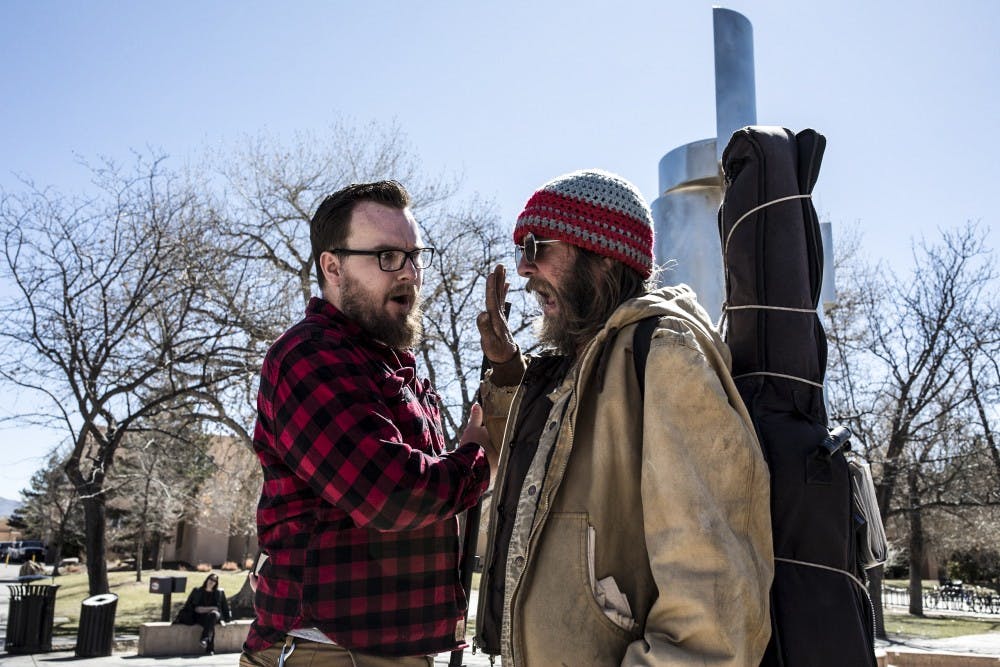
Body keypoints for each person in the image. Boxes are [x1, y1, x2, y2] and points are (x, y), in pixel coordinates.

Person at [473, 169, 774, 666]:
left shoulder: (663, 352)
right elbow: (533, 485)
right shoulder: (578, 367)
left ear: (603, 255)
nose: (523, 269)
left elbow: (713, 601)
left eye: (537, 245)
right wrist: (508, 371)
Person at [240, 180, 496, 667]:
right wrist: (477, 459)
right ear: (332, 267)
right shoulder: (309, 355)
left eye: (415, 256)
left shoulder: (388, 365)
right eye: (386, 257)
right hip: (325, 651)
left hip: (386, 651)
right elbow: (388, 494)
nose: (409, 274)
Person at [174, 573, 231, 654]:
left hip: (213, 616)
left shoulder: (219, 593)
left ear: (216, 583)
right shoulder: (197, 591)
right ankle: (209, 648)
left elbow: (223, 607)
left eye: (214, 581)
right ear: (207, 579)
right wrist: (211, 608)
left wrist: (227, 619)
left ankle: (204, 639)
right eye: (211, 579)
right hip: (198, 617)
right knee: (210, 623)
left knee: (213, 615)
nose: (212, 582)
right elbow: (196, 609)